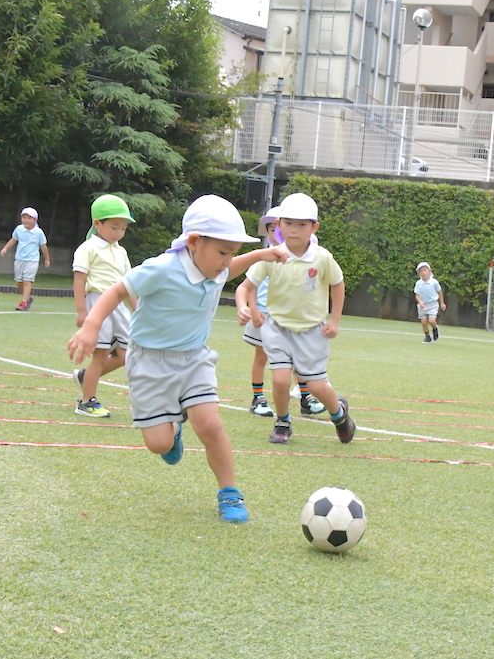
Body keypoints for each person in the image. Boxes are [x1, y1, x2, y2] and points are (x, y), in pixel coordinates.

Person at [68, 194, 288, 523]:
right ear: (195, 242)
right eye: (224, 252)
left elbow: (232, 270)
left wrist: (264, 254)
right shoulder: (162, 268)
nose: (228, 261)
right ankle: (173, 429)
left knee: (211, 425)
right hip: (148, 362)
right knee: (159, 444)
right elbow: (116, 290)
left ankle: (229, 492)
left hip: (193, 359)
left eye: (233, 253)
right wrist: (90, 325)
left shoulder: (215, 266)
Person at [236, 191, 356, 446]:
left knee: (316, 386)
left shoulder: (322, 257)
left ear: (314, 227)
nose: (294, 230)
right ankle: (283, 422)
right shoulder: (271, 255)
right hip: (277, 328)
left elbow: (337, 283)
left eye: (302, 225)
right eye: (288, 223)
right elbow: (244, 287)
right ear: (278, 225)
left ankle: (340, 416)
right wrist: (244, 307)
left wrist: (334, 321)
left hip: (312, 330)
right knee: (280, 378)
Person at [237, 209, 327, 419]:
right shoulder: (265, 255)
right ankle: (258, 397)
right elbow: (251, 286)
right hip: (264, 314)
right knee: (262, 356)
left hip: (288, 316)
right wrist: (254, 309)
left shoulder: (301, 254)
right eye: (271, 229)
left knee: (297, 358)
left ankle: (306, 396)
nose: (275, 233)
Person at [70, 195, 137, 418]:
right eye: (114, 227)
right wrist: (82, 312)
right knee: (99, 356)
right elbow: (79, 280)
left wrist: (137, 309)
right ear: (97, 224)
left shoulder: (121, 251)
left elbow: (129, 285)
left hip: (119, 306)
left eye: (123, 228)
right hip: (97, 303)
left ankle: (85, 376)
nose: (118, 232)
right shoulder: (88, 248)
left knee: (126, 354)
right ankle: (86, 402)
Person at [0, 206, 50, 310]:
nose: (26, 220)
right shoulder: (19, 229)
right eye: (24, 217)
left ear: (35, 220)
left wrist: (47, 259)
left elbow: (43, 246)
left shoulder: (38, 232)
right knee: (19, 282)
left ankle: (23, 303)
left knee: (27, 281)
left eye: (29, 218)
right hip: (19, 259)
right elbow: (13, 239)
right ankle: (27, 298)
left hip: (32, 260)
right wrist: (5, 248)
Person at [414, 261, 446, 343]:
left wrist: (442, 303)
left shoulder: (434, 282)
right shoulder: (418, 283)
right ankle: (427, 337)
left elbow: (439, 292)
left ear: (429, 271)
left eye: (424, 270)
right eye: (420, 271)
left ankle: (435, 329)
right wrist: (420, 302)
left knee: (431, 321)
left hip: (433, 304)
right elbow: (417, 294)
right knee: (424, 322)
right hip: (423, 305)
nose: (423, 273)